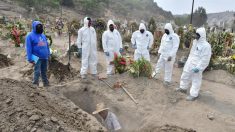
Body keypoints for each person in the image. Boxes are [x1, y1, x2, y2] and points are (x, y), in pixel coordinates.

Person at [176, 27, 212, 101]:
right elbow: (191, 53)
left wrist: (199, 68)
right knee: (185, 74)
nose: (196, 36)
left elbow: (205, 59)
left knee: (196, 80)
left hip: (197, 65)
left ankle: (194, 94)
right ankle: (183, 87)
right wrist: (186, 60)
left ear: (202, 35)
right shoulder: (195, 42)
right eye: (196, 34)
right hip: (190, 62)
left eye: (197, 35)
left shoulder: (206, 46)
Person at [25, 21, 50, 87]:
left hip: (44, 56)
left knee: (44, 71)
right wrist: (29, 58)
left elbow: (47, 45)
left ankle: (46, 83)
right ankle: (35, 84)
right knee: (37, 71)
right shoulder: (30, 36)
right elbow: (28, 48)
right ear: (34, 27)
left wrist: (48, 54)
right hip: (36, 57)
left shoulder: (43, 35)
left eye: (41, 26)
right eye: (38, 27)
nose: (40, 28)